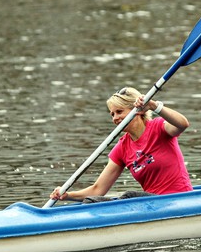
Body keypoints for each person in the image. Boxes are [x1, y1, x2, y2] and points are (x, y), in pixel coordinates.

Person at [50, 87, 193, 203]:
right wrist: (67, 195)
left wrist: (154, 106)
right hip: (152, 205)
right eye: (112, 114)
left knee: (129, 196)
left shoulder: (159, 127)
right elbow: (98, 189)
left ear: (137, 110)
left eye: (119, 112)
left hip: (178, 200)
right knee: (91, 201)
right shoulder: (122, 147)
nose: (115, 118)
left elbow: (182, 124)